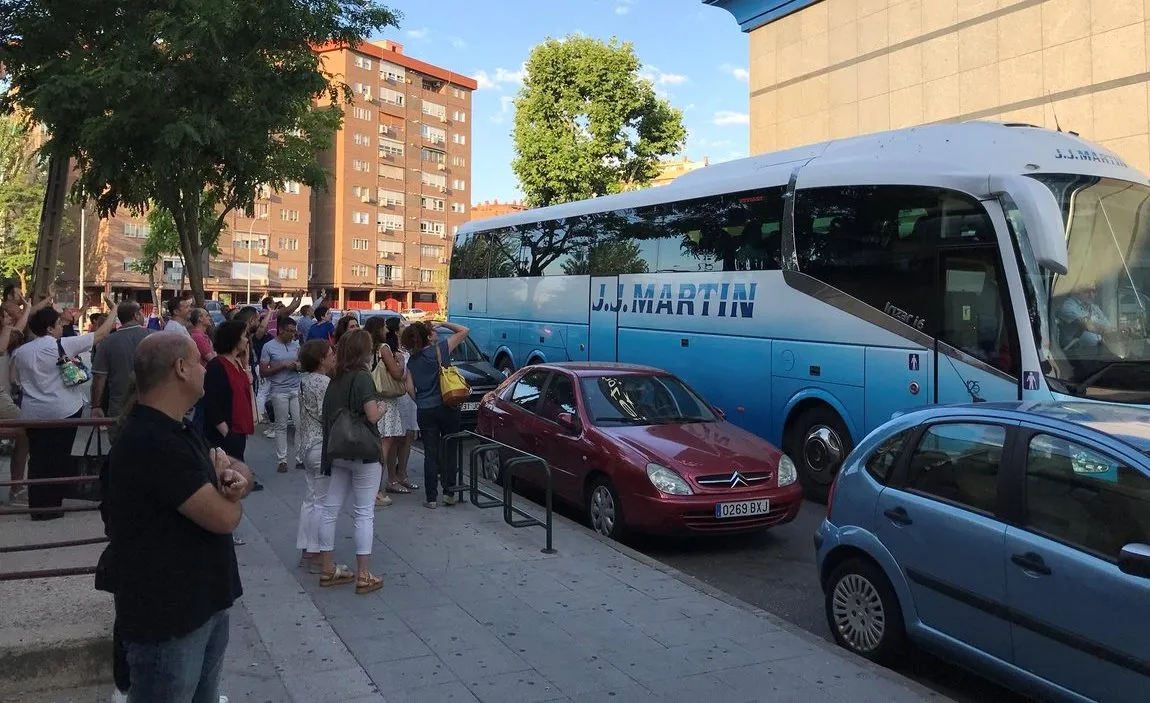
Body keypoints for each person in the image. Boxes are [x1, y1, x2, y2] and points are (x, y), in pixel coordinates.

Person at [106, 333, 251, 703]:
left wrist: (235, 483)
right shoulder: (152, 440)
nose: (205, 367)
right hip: (170, 617)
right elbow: (224, 518)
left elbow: (236, 468)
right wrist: (230, 499)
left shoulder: (179, 428)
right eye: (199, 361)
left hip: (204, 601)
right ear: (181, 369)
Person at [12, 295, 117, 520]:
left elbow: (15, 380)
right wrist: (114, 312)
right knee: (58, 457)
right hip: (63, 410)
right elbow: (99, 335)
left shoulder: (22, 352)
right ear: (50, 328)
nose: (61, 327)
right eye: (59, 324)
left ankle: (38, 505)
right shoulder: (61, 345)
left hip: (32, 413)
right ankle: (53, 503)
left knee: (38, 459)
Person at [318, 329, 384, 594]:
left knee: (330, 508)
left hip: (338, 451)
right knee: (364, 512)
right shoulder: (362, 378)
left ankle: (327, 568)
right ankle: (364, 575)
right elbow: (371, 415)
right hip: (364, 451)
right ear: (363, 352)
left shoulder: (335, 379)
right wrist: (383, 408)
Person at [401, 320, 469, 509]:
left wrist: (420, 401)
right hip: (447, 405)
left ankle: (431, 497)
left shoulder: (412, 361)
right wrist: (444, 323)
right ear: (427, 336)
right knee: (450, 448)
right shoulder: (440, 349)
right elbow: (464, 330)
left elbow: (408, 387)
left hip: (425, 410)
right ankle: (449, 492)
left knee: (430, 453)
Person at [295, 340, 334, 575]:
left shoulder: (305, 380)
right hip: (321, 444)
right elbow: (325, 414)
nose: (333, 357)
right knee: (322, 500)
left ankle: (306, 549)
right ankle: (318, 550)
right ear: (320, 359)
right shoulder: (323, 382)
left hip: (307, 444)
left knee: (310, 499)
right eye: (330, 354)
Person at [91, 301, 153, 432]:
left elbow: (99, 377)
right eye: (141, 312)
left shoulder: (107, 341)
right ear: (136, 315)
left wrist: (96, 406)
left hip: (119, 406)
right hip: (152, 405)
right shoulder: (154, 337)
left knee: (119, 446)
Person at [363, 316, 406, 505]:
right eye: (384, 327)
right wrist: (401, 362)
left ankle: (370, 487)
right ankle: (375, 491)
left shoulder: (366, 348)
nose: (387, 330)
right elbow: (396, 374)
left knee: (376, 446)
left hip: (371, 397)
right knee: (384, 448)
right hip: (385, 401)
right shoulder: (384, 349)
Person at [203, 320, 256, 464]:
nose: (247, 340)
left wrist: (246, 364)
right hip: (225, 432)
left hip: (240, 429)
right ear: (234, 338)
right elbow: (210, 401)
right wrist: (226, 432)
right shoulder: (217, 365)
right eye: (244, 336)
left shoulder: (238, 363)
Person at [260, 316, 302, 473]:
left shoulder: (296, 345)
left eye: (294, 331)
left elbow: (303, 364)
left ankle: (300, 458)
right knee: (281, 425)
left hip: (296, 388)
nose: (292, 334)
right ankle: (282, 460)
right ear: (281, 330)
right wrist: (282, 366)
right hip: (279, 391)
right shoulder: (268, 347)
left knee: (300, 424)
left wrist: (298, 366)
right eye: (290, 331)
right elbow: (263, 371)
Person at [384, 316, 419, 494]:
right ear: (396, 330)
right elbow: (398, 375)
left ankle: (402, 474)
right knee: (396, 438)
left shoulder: (407, 348)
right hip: (397, 396)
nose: (405, 327)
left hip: (409, 398)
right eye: (402, 325)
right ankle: (391, 478)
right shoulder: (389, 350)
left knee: (408, 437)